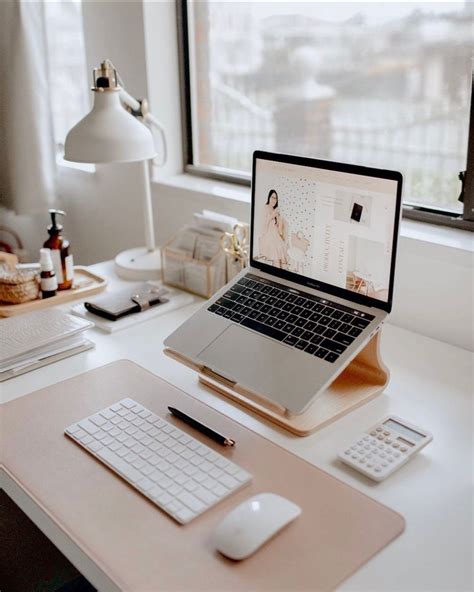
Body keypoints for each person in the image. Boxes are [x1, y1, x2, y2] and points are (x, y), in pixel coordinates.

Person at [259, 189, 287, 268]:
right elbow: (264, 225)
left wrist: (279, 218)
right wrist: (273, 215)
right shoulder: (266, 207)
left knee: (283, 260)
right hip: (268, 235)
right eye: (272, 197)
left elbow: (279, 228)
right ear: (269, 197)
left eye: (276, 198)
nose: (274, 200)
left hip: (275, 235)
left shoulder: (275, 210)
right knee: (277, 258)